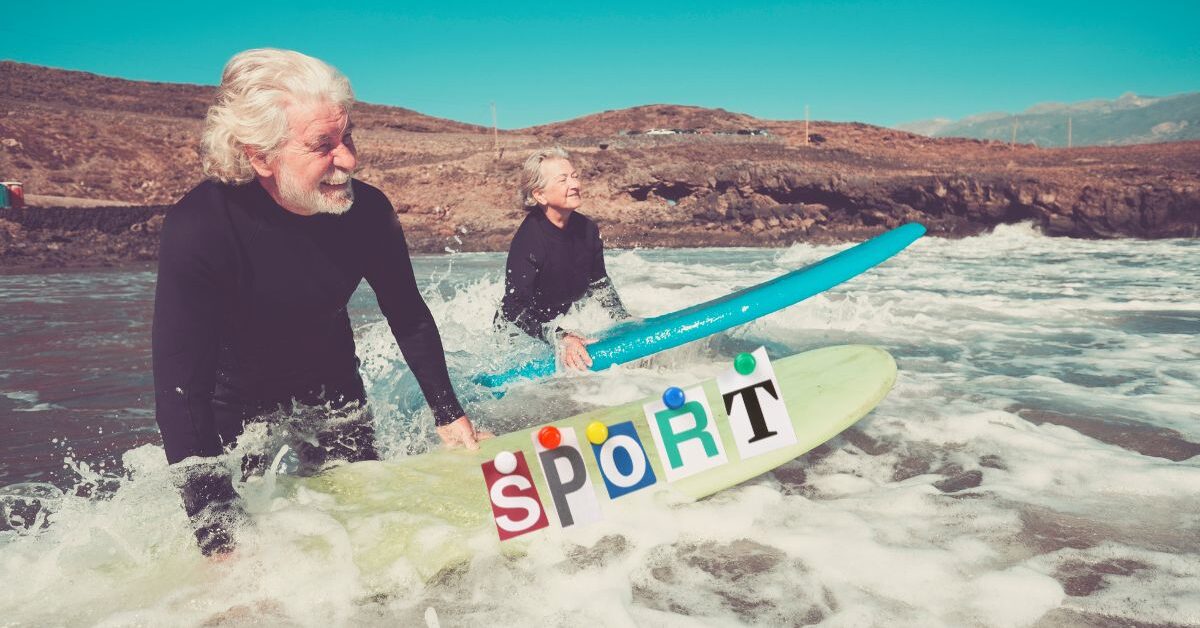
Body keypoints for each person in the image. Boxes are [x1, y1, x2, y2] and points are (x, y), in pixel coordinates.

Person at [152, 48, 488, 558]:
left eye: (347, 137)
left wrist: (449, 415)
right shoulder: (201, 228)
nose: (349, 159)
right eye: (322, 145)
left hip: (330, 383)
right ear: (258, 156)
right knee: (244, 532)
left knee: (367, 516)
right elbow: (181, 391)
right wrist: (218, 541)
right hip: (230, 403)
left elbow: (408, 314)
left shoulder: (367, 212)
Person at [496, 148, 630, 370]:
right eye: (563, 180)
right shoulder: (529, 240)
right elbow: (512, 308)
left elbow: (599, 284)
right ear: (540, 195)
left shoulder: (588, 230)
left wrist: (623, 321)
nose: (575, 184)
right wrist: (561, 337)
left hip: (556, 327)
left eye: (574, 176)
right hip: (519, 339)